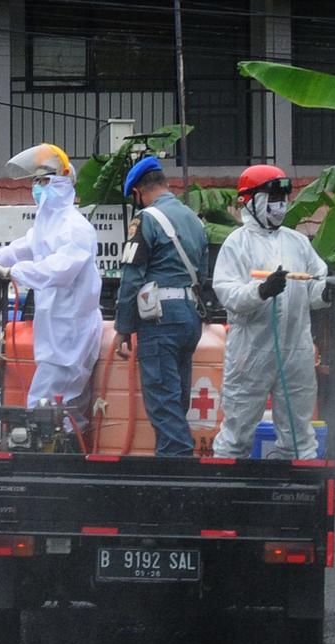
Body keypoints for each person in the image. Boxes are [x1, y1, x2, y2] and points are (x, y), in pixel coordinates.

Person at [0, 143, 102, 412]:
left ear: (63, 182)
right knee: (56, 412)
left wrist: (16, 272)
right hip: (55, 335)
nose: (37, 187)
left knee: (46, 410)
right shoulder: (43, 227)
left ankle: (52, 454)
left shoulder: (76, 228)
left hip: (72, 335)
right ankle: (61, 452)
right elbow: (6, 255)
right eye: (35, 181)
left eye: (43, 180)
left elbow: (59, 270)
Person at [212, 164, 335, 460]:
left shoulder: (297, 243)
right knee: (236, 435)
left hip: (295, 352)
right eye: (271, 197)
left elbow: (313, 286)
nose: (279, 205)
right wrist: (261, 291)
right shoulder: (236, 244)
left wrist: (327, 292)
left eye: (283, 197)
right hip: (251, 353)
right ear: (251, 201)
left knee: (299, 437)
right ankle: (224, 491)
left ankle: (296, 496)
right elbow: (227, 293)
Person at [113, 156, 209, 457]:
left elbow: (131, 278)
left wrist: (123, 329)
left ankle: (177, 474)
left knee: (163, 403)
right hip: (189, 317)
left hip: (160, 322)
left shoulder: (146, 219)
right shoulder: (193, 219)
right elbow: (202, 274)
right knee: (176, 399)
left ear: (138, 193)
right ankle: (170, 462)